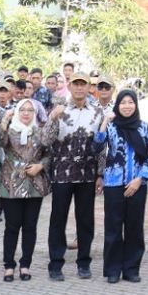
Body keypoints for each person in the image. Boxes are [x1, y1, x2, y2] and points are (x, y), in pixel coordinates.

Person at [41, 79, 106, 280]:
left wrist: (100, 173)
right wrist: (52, 118)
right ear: (69, 87)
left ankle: (84, 262)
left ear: (88, 87)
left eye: (82, 84)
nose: (79, 88)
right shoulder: (59, 110)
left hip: (87, 173)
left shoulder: (97, 112)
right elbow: (45, 140)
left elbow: (102, 145)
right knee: (58, 219)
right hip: (62, 173)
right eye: (75, 84)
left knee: (85, 220)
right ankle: (55, 264)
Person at [98, 89, 148, 283]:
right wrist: (105, 122)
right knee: (113, 228)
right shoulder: (111, 127)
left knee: (134, 228)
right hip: (114, 184)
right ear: (117, 105)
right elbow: (96, 146)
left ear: (136, 105)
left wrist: (140, 179)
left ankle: (131, 269)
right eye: (123, 102)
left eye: (131, 102)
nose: (127, 106)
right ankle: (113, 270)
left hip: (137, 184)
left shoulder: (144, 127)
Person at [0, 97, 49, 281]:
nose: (26, 113)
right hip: (11, 184)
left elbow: (50, 154)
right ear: (17, 112)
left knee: (30, 227)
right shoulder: (9, 130)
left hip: (34, 185)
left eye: (30, 110)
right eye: (22, 110)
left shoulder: (40, 132)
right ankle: (9, 265)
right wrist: (4, 122)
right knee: (12, 226)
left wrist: (41, 165)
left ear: (35, 113)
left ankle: (25, 265)